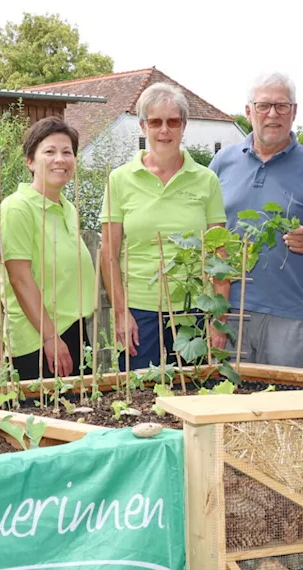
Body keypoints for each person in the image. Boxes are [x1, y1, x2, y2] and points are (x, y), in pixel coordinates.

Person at [101, 83, 228, 370]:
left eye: (172, 122)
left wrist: (217, 320)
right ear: (143, 126)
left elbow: (220, 255)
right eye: (155, 122)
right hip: (140, 312)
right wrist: (121, 313)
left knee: (192, 398)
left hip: (193, 310)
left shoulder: (206, 180)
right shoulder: (120, 180)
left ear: (184, 126)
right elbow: (109, 253)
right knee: (139, 400)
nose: (164, 130)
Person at [211, 72, 303, 368]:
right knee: (227, 404)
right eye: (263, 106)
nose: (272, 114)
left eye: (282, 106)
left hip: (286, 315)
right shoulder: (222, 163)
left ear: (294, 112)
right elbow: (205, 235)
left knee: (284, 407)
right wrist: (215, 313)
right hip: (228, 312)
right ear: (249, 111)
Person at [0, 117, 96, 380]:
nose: (60, 159)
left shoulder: (67, 208)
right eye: (49, 152)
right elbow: (19, 278)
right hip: (37, 339)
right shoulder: (17, 208)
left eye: (67, 152)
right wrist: (50, 337)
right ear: (29, 161)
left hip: (72, 329)